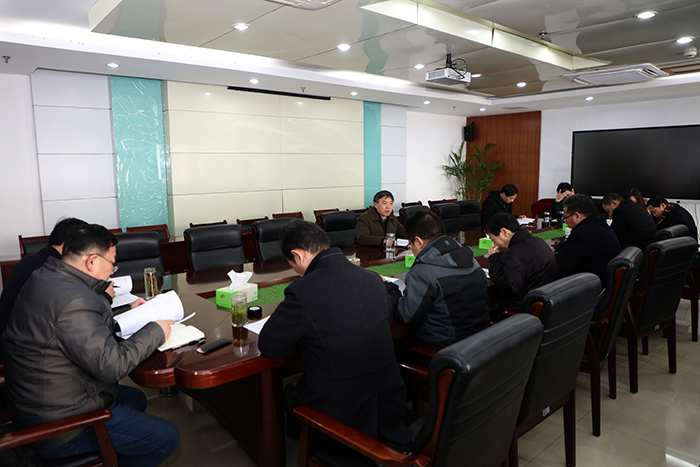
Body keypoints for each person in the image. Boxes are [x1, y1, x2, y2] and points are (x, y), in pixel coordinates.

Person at [2, 224, 180, 467]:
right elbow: (112, 366)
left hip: (40, 402)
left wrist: (124, 313)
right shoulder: (73, 300)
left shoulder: (46, 275)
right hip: (60, 427)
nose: (112, 271)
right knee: (167, 437)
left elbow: (80, 328)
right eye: (112, 264)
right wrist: (156, 331)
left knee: (135, 399)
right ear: (92, 261)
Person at [258, 220, 408, 445]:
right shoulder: (372, 279)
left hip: (342, 424)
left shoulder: (303, 291)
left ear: (297, 255)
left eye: (292, 264)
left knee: (291, 392)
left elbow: (269, 345)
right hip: (391, 409)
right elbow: (384, 318)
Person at [386, 210, 490, 349]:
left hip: (445, 347)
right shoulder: (470, 259)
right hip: (480, 341)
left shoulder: (423, 272)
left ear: (419, 241)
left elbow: (406, 315)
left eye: (411, 244)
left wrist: (390, 288)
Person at [0, 217, 87, 363]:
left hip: (14, 339)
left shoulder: (32, 260)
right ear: (67, 244)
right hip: (22, 352)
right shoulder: (50, 268)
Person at [485, 213, 560, 313]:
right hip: (548, 304)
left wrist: (494, 258)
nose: (494, 245)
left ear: (504, 232)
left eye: (493, 239)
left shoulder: (514, 253)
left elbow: (508, 288)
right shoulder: (539, 241)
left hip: (523, 311)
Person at [554, 195, 621, 280]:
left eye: (566, 217)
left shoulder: (583, 233)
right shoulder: (598, 224)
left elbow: (562, 264)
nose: (565, 222)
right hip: (602, 276)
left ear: (577, 216)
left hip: (591, 282)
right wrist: (555, 248)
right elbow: (572, 244)